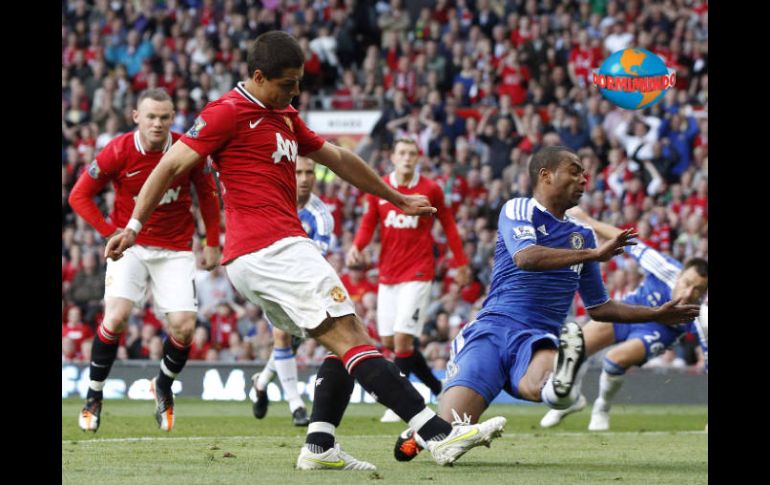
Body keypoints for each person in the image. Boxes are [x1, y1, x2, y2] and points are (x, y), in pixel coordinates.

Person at [105, 31, 506, 471]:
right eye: (287, 82)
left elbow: (337, 158)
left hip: (261, 255)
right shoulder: (226, 113)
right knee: (353, 335)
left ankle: (319, 444)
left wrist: (395, 196)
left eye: (299, 81)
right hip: (272, 246)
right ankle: (438, 435)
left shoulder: (285, 115)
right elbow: (169, 165)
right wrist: (133, 225)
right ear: (258, 77)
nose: (296, 91)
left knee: (341, 344)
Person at [393, 146, 700, 461]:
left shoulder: (582, 235)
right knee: (447, 433)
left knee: (547, 382)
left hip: (537, 338)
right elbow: (525, 257)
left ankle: (562, 384)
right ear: (546, 175)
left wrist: (656, 314)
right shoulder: (519, 209)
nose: (584, 178)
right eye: (575, 170)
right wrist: (593, 255)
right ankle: (421, 432)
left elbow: (600, 308)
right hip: (492, 330)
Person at [68, 88, 222, 433]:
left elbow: (209, 195)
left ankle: (163, 386)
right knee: (117, 316)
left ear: (173, 118)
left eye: (164, 117)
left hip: (176, 248)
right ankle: (94, 396)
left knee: (184, 327)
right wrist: (110, 233)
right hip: (131, 246)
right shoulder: (119, 150)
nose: (158, 124)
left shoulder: (187, 148)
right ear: (135, 117)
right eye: (151, 116)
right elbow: (79, 195)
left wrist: (212, 241)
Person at [539, 207, 708, 431]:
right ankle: (572, 399)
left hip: (659, 331)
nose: (688, 293)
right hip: (630, 311)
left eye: (697, 290)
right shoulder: (664, 267)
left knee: (614, 359)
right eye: (687, 283)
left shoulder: (700, 316)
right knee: (576, 346)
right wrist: (589, 220)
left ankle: (601, 409)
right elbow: (630, 242)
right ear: (680, 275)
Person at [346, 138, 470, 423]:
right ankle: (437, 388)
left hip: (418, 271)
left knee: (402, 339)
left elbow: (448, 224)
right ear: (392, 157)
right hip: (388, 273)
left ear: (418, 158)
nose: (407, 158)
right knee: (391, 341)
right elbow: (368, 222)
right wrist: (358, 245)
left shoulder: (430, 189)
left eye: (412, 153)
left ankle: (399, 403)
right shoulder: (379, 187)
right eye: (402, 153)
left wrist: (461, 263)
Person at [251, 156, 334, 426]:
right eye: (298, 171)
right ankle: (296, 405)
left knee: (290, 341)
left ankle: (261, 382)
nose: (304, 178)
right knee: (282, 335)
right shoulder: (274, 202)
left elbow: (316, 259)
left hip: (304, 282)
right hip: (273, 278)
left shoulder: (321, 216)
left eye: (309, 172)